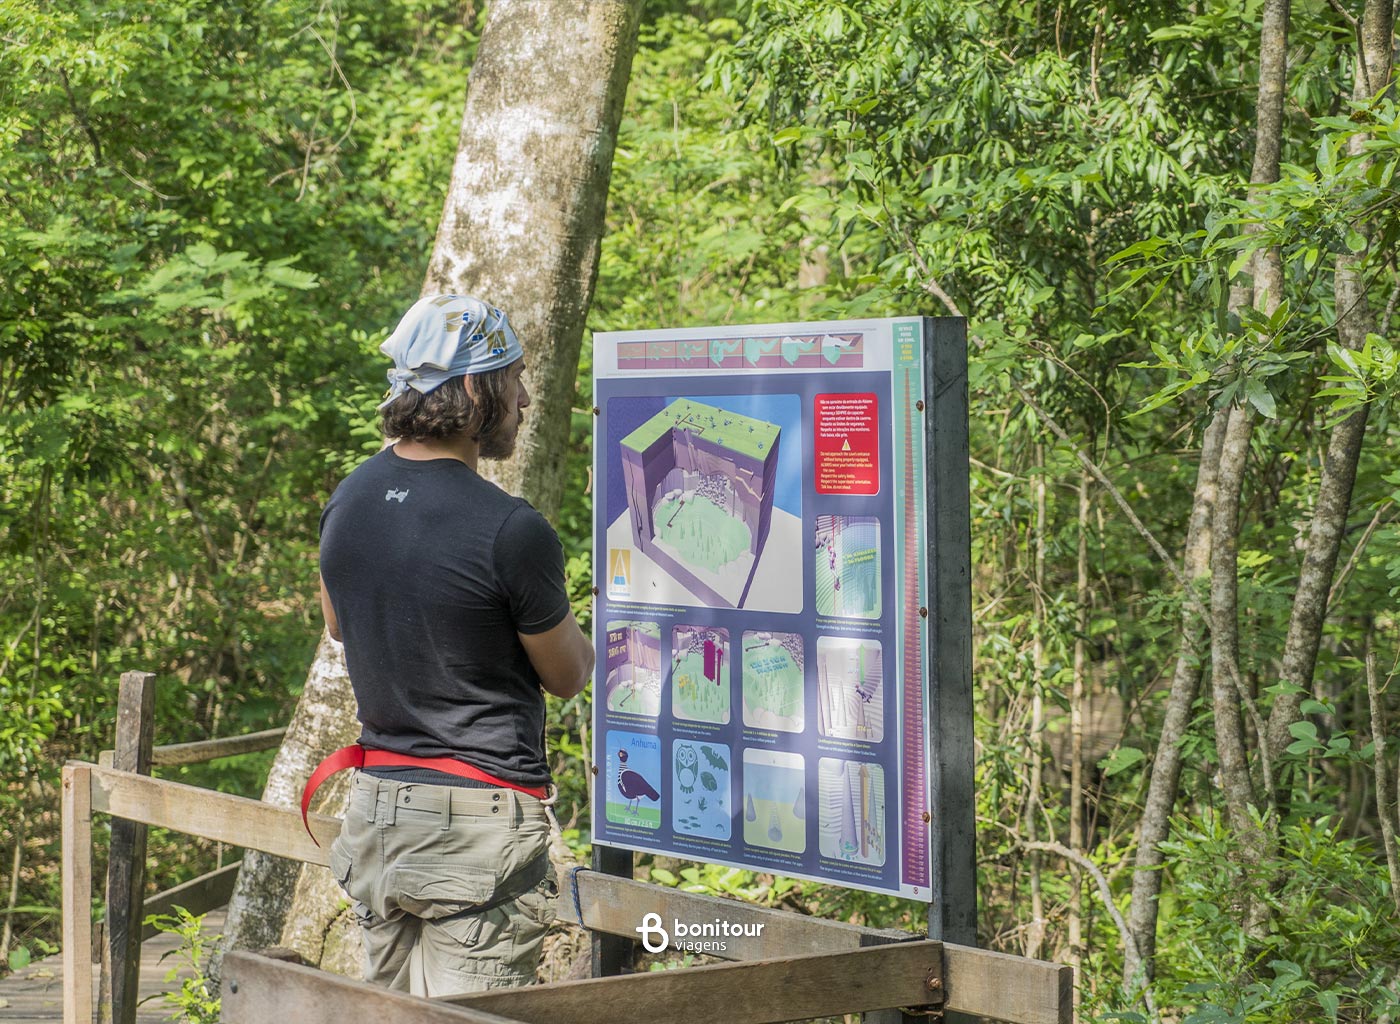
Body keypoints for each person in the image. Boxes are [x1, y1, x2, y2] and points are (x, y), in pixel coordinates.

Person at [315, 294, 594, 996]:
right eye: (514, 376)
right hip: (478, 825)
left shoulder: (349, 499)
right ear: (475, 387)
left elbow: (338, 623)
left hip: (379, 812)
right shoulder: (510, 529)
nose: (525, 399)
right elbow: (566, 676)